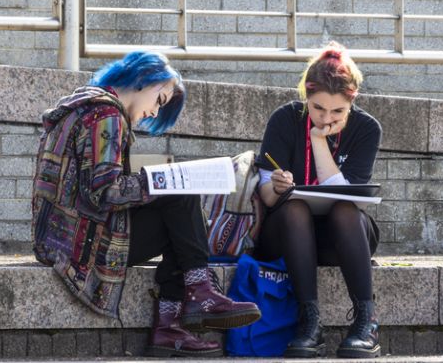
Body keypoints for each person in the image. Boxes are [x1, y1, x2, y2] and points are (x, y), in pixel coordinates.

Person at [31, 51, 261, 358]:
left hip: (61, 237)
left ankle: (184, 308)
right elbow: (105, 191)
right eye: (159, 100)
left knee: (180, 200)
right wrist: (158, 182)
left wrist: (157, 184)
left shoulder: (83, 108)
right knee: (183, 194)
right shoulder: (107, 116)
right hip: (80, 245)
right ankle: (189, 301)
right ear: (143, 80)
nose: (154, 112)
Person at [255, 41, 382, 359]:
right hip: (287, 233)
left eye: (338, 110)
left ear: (352, 102)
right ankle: (309, 323)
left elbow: (345, 195)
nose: (326, 117)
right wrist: (279, 186)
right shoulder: (285, 119)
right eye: (317, 109)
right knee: (294, 206)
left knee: (343, 210)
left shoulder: (367, 128)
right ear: (306, 98)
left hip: (344, 236)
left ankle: (366, 322)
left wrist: (317, 139)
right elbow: (266, 197)